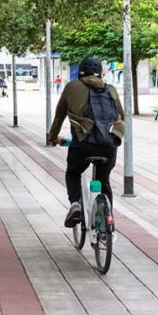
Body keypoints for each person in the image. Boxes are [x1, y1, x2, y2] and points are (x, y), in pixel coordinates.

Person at [48, 57, 125, 228]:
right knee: (103, 181)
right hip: (109, 146)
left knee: (73, 172)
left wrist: (53, 137)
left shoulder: (71, 87)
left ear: (80, 71)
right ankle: (108, 218)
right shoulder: (110, 89)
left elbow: (59, 116)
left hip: (83, 146)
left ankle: (75, 204)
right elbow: (122, 116)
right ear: (100, 73)